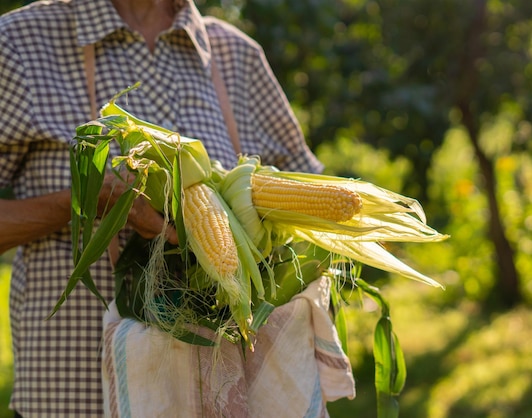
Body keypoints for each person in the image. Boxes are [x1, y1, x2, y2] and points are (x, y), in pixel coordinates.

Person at [0, 1, 351, 416]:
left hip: (226, 392)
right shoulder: (19, 42)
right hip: (76, 393)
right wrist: (92, 200)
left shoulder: (238, 57)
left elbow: (308, 219)